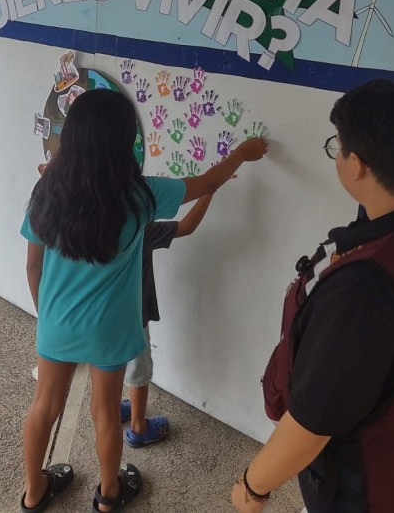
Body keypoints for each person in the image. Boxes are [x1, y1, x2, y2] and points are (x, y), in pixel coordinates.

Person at [233, 80, 394, 513]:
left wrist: (252, 486)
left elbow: (312, 424)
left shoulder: (365, 292)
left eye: (337, 147)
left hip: (376, 487)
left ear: (356, 165)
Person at [20, 87, 268, 513]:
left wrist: (48, 317)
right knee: (103, 411)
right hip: (111, 328)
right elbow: (207, 182)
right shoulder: (141, 194)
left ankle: (33, 491)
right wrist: (243, 153)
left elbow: (32, 268)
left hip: (56, 321)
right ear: (124, 141)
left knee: (44, 405)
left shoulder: (46, 191)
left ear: (72, 136)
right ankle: (110, 495)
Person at [121, 193, 216, 447]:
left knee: (109, 362)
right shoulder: (140, 230)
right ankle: (138, 428)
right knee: (139, 371)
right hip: (132, 317)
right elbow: (186, 226)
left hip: (99, 316)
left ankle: (109, 407)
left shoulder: (84, 223)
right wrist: (210, 190)